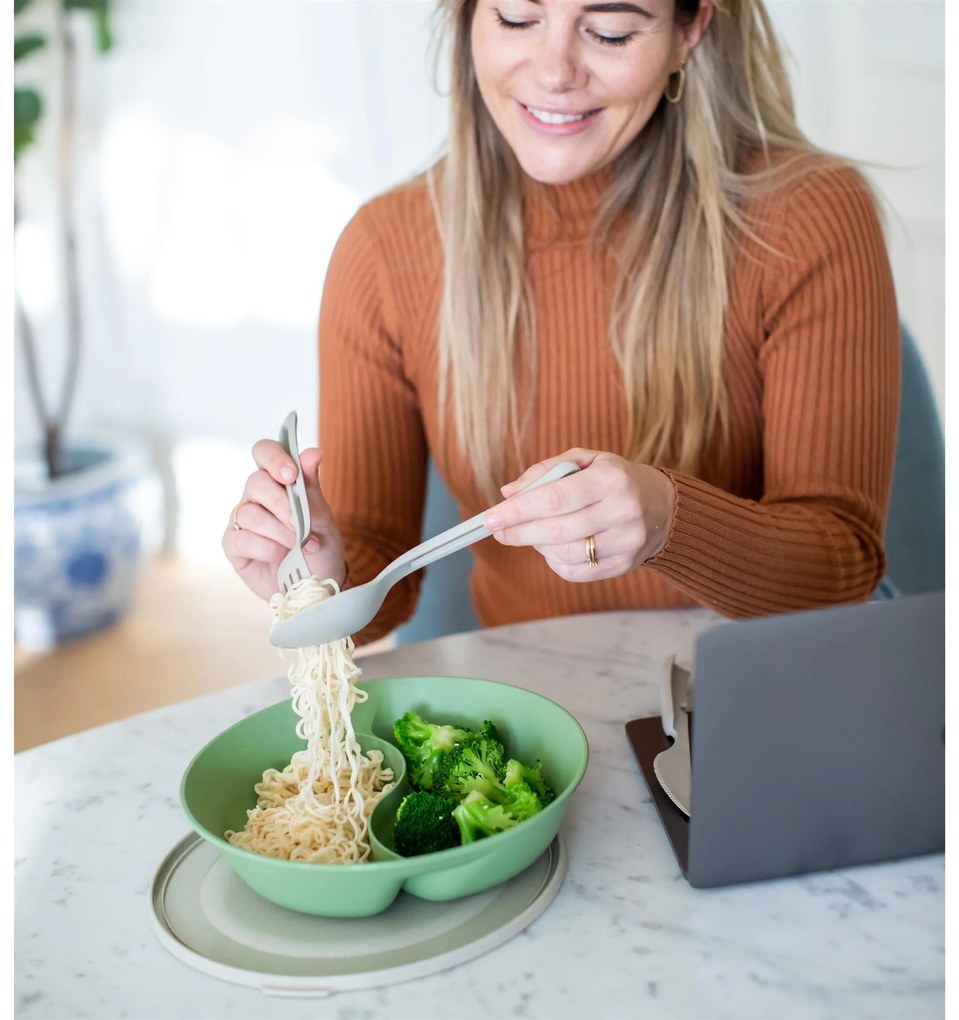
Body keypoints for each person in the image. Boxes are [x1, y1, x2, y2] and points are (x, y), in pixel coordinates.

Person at [223, 0, 900, 646]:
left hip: (761, 687)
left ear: (687, 30)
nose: (552, 72)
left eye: (608, 32)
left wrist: (668, 519)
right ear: (467, 20)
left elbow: (838, 568)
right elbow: (377, 587)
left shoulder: (809, 215)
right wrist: (319, 569)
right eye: (516, 18)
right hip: (534, 706)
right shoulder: (386, 247)